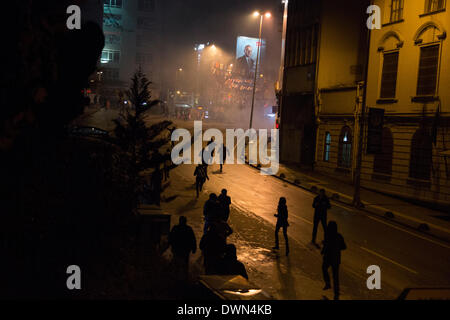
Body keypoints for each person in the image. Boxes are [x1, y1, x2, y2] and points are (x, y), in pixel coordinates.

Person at [321, 221, 346, 300]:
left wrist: (323, 251)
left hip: (328, 258)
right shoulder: (339, 236)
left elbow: (326, 246)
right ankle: (336, 293)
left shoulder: (328, 236)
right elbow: (344, 247)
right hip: (336, 259)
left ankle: (327, 282)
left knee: (324, 268)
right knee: (335, 277)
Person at [168, 216, 197, 280]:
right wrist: (193, 248)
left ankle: (176, 277)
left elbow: (170, 238)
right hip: (185, 251)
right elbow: (192, 239)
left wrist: (169, 245)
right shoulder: (188, 229)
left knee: (176, 264)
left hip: (177, 250)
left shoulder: (175, 228)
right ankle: (184, 277)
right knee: (184, 265)